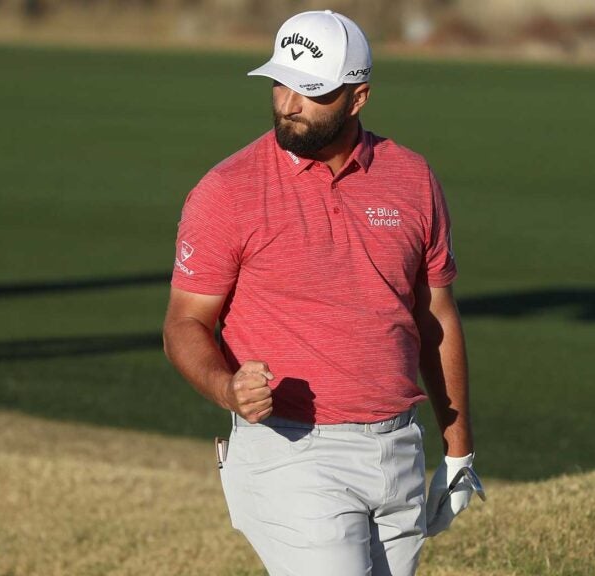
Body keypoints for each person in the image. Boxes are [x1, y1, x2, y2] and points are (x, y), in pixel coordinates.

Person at [161, 10, 478, 576]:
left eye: (311, 90)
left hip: (398, 446)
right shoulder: (226, 191)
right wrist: (226, 387)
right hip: (291, 452)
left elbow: (437, 318)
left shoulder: (411, 178)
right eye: (281, 82)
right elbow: (184, 323)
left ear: (358, 98)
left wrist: (460, 451)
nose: (288, 103)